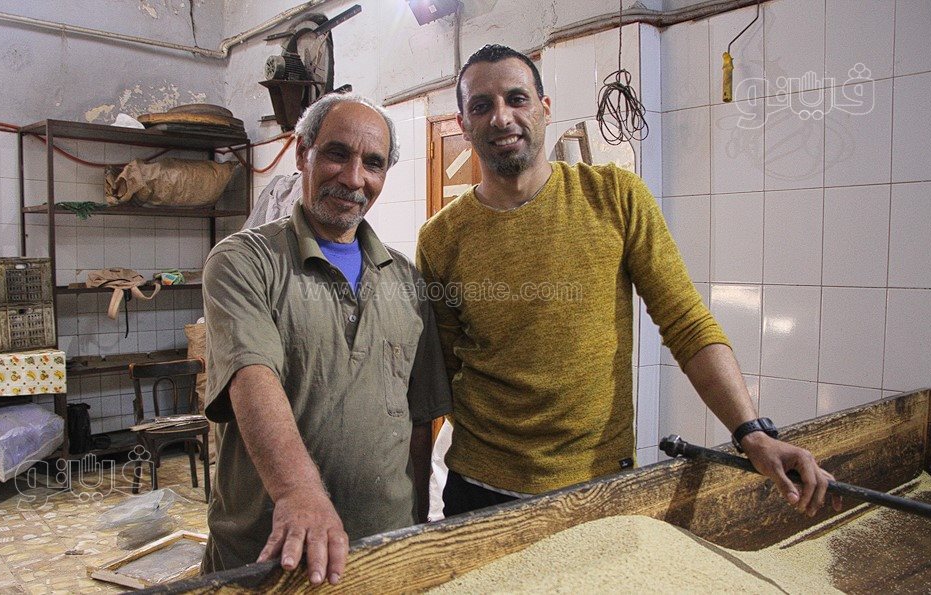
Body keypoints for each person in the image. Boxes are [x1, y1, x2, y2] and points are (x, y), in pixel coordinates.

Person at [416, 44, 841, 519]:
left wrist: (753, 432)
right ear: (462, 124)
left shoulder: (614, 196)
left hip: (598, 482)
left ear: (545, 108)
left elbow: (684, 320)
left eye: (517, 99)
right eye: (482, 105)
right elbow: (446, 366)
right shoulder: (441, 238)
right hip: (481, 487)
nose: (501, 117)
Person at [201, 92, 452, 585]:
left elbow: (420, 417)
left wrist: (418, 521)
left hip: (380, 553)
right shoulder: (244, 262)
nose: (354, 178)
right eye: (338, 153)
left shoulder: (406, 280)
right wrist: (299, 494)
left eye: (373, 164)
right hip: (271, 554)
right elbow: (252, 376)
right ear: (303, 154)